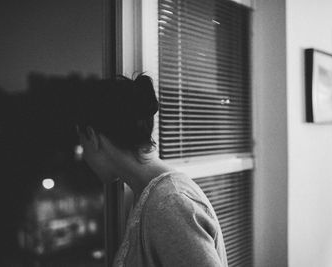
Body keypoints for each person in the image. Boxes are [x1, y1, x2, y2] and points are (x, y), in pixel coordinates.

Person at [76, 74, 228, 267]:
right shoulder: (148, 197)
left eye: (81, 144)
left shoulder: (170, 203)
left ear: (92, 137)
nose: (83, 156)